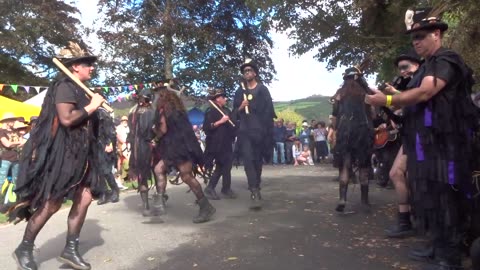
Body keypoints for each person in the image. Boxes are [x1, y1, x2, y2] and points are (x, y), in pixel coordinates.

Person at [366, 8, 479, 269]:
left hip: (447, 144)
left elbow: (426, 92)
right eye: (413, 38)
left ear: (436, 34)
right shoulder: (427, 65)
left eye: (420, 36)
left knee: (446, 196)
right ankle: (436, 246)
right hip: (426, 143)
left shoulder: (446, 58)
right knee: (428, 196)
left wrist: (389, 99)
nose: (415, 42)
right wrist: (387, 96)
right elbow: (415, 96)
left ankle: (450, 256)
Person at [8, 41, 106, 270]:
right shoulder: (64, 86)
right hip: (63, 157)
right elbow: (68, 119)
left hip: (83, 156)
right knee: (52, 204)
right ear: (74, 67)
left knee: (85, 198)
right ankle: (24, 248)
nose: (91, 68)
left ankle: (70, 249)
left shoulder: (81, 89)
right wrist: (92, 107)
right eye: (87, 64)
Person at [152, 85, 216, 223]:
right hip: (182, 147)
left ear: (162, 98)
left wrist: (155, 137)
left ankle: (206, 207)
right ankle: (159, 202)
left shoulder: (164, 111)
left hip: (179, 149)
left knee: (186, 176)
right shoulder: (178, 111)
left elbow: (162, 129)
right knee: (159, 169)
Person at [381, 50, 421, 238]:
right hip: (411, 136)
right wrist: (383, 105)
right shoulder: (407, 85)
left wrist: (392, 95)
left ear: (417, 66)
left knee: (420, 178)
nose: (402, 72)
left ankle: (418, 220)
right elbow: (400, 113)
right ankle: (405, 219)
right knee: (396, 173)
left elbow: (419, 100)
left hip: (426, 137)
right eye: (400, 69)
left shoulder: (423, 80)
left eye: (406, 67)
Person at [233, 59, 276, 209]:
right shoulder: (240, 91)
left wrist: (266, 131)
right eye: (245, 71)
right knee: (248, 160)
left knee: (257, 161)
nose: (247, 73)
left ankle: (256, 184)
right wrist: (240, 107)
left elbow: (269, 111)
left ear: (255, 73)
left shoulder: (262, 89)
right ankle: (253, 189)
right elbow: (234, 113)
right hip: (245, 132)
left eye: (249, 70)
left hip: (260, 132)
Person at [332, 66, 374, 213]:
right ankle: (364, 201)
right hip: (363, 132)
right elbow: (372, 114)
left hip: (345, 133)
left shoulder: (339, 94)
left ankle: (342, 199)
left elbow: (335, 117)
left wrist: (336, 132)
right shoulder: (366, 93)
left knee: (345, 165)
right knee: (363, 166)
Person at [127, 89, 160, 217]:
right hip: (150, 146)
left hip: (137, 147)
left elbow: (131, 132)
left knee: (143, 175)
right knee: (157, 172)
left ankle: (147, 205)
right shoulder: (153, 112)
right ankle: (158, 199)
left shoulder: (132, 113)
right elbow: (157, 130)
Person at [203, 88, 237, 200]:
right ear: (217, 99)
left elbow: (233, 124)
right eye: (223, 97)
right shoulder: (211, 111)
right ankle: (210, 188)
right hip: (216, 144)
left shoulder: (227, 110)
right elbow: (207, 128)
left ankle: (226, 188)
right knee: (221, 166)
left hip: (226, 143)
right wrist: (220, 121)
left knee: (227, 166)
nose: (225, 99)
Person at [96, 109, 120, 205]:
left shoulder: (102, 113)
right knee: (98, 172)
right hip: (94, 146)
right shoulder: (87, 112)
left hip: (104, 145)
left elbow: (111, 131)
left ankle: (115, 190)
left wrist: (110, 143)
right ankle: (103, 193)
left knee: (106, 171)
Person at [0, 113, 24, 208]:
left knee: (16, 180)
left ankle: (13, 200)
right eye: (11, 120)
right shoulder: (1, 131)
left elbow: (22, 142)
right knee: (1, 180)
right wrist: (18, 143)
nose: (12, 121)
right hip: (6, 158)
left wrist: (16, 143)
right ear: (6, 121)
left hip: (16, 158)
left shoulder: (15, 130)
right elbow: (7, 144)